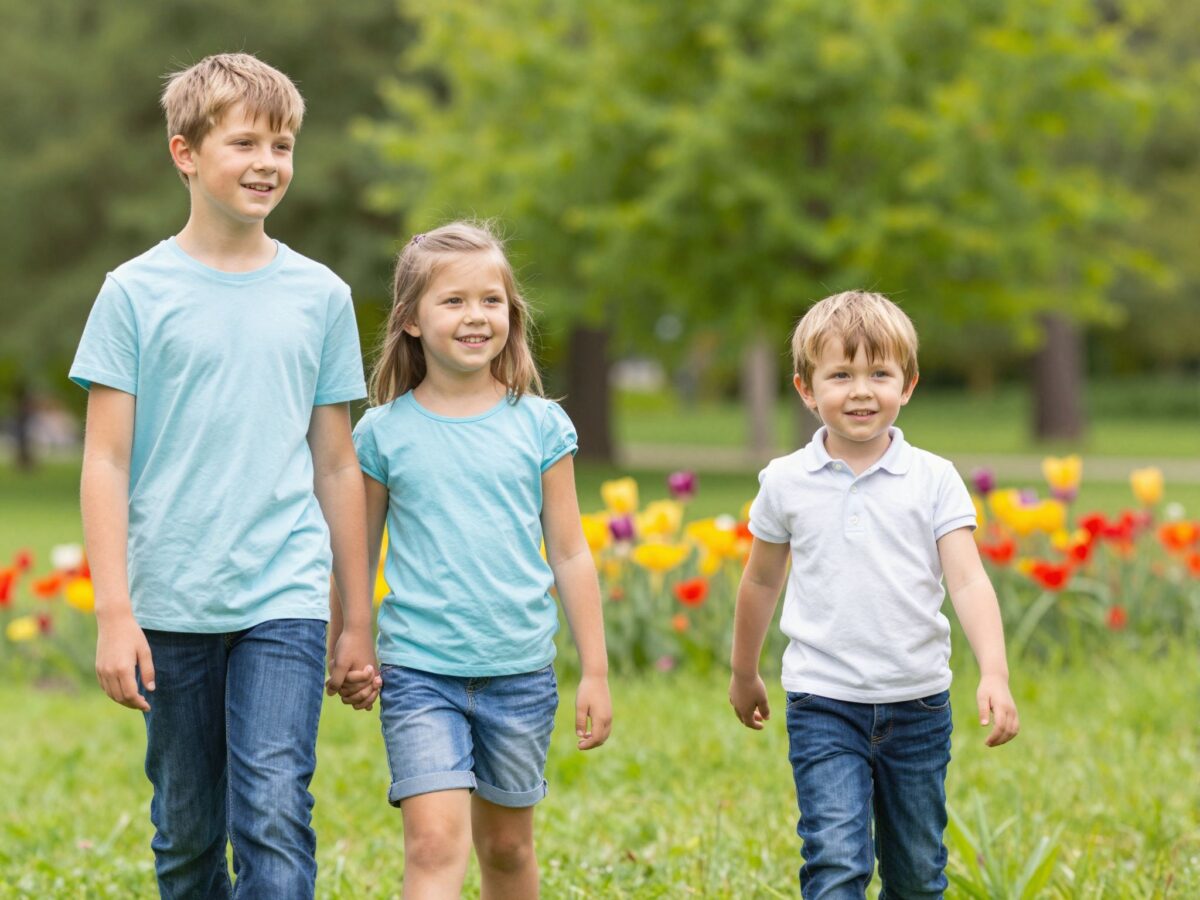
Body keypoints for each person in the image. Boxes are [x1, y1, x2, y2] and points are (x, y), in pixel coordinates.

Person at [70, 53, 377, 898]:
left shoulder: (320, 296)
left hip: (283, 592)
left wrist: (355, 615)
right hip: (169, 599)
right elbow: (104, 459)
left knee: (275, 810)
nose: (267, 162)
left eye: (282, 144)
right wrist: (113, 611)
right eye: (245, 142)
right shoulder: (133, 294)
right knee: (187, 831)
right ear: (185, 152)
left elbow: (337, 465)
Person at [331, 221, 612, 898]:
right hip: (420, 673)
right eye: (453, 301)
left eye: (491, 300)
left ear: (512, 316)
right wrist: (351, 637)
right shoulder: (383, 433)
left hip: (519, 674)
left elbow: (571, 553)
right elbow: (356, 551)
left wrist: (595, 670)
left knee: (509, 851)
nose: (475, 316)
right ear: (411, 322)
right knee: (433, 846)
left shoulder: (541, 426)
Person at [728, 290, 1020, 898]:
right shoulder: (786, 482)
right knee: (836, 861)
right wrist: (743, 671)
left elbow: (967, 579)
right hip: (823, 702)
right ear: (806, 390)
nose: (861, 390)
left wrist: (993, 670)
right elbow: (760, 580)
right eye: (840, 374)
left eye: (879, 373)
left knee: (917, 873)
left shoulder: (934, 478)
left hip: (917, 704)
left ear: (907, 384)